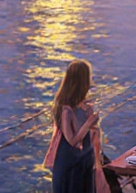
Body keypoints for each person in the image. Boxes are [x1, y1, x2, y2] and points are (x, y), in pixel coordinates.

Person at [48, 60, 103, 193]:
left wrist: (90, 116)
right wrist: (89, 122)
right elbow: (71, 140)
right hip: (71, 164)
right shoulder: (66, 110)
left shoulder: (82, 105)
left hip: (85, 159)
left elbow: (84, 130)